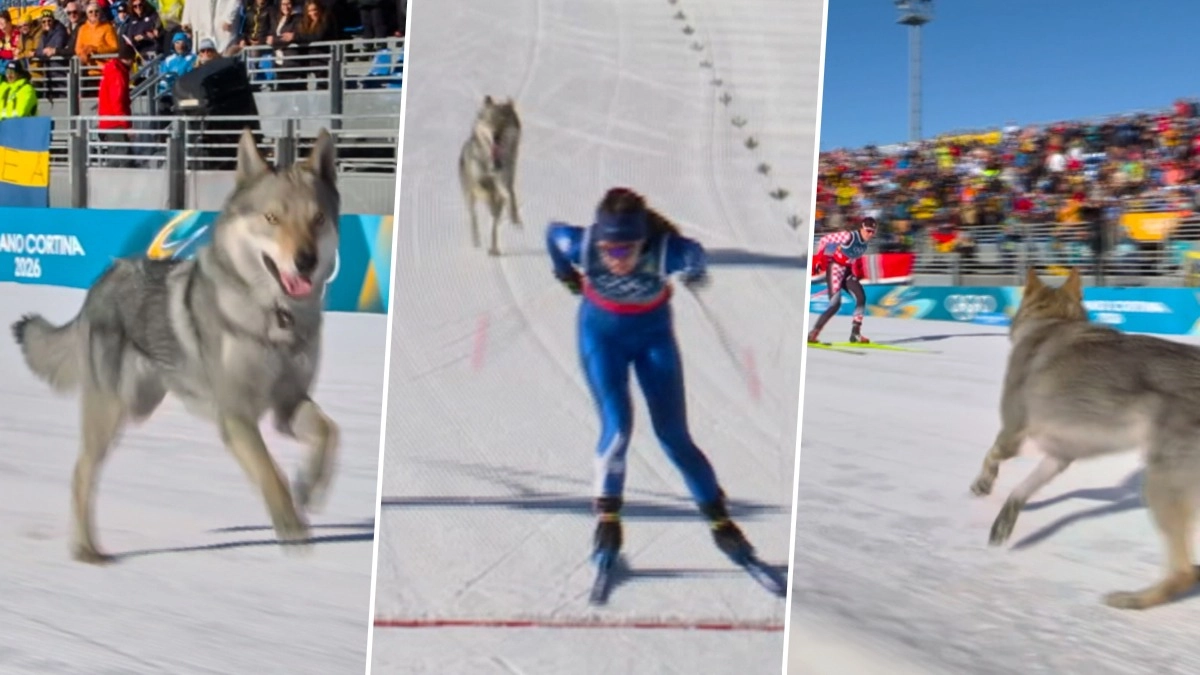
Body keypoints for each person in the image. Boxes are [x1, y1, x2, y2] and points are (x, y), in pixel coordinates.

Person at [545, 187, 760, 570]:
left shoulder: (667, 251)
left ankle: (720, 523)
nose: (617, 259)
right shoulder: (583, 245)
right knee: (618, 426)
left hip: (653, 339)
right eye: (610, 250)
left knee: (673, 436)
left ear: (644, 240)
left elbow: (695, 256)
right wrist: (565, 276)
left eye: (627, 249)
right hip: (601, 338)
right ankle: (608, 522)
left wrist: (696, 272)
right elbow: (553, 234)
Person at [808, 216, 876, 344]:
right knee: (835, 304)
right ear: (861, 228)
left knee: (861, 297)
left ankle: (855, 333)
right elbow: (824, 240)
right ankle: (813, 333)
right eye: (868, 231)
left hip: (847, 272)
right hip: (835, 269)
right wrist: (818, 259)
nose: (870, 234)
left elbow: (853, 258)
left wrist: (859, 272)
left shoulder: (865, 243)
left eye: (873, 232)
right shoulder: (848, 236)